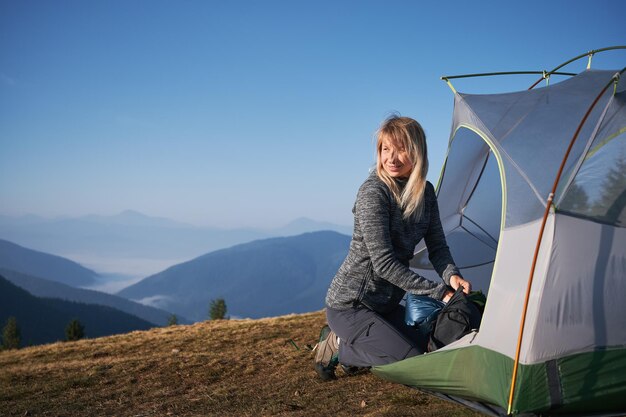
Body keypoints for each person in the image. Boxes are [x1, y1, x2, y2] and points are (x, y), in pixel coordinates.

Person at [314, 115, 471, 380]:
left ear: (417, 152)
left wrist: (451, 275)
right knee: (412, 361)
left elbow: (437, 245)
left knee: (426, 348)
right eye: (386, 149)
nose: (392, 158)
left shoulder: (426, 192)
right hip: (351, 305)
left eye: (401, 149)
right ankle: (338, 346)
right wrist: (439, 292)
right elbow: (383, 264)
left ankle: (364, 343)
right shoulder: (373, 192)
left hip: (386, 305)